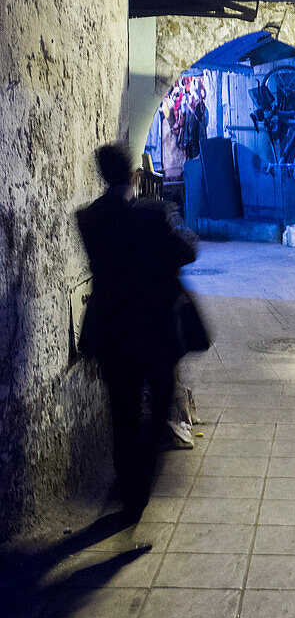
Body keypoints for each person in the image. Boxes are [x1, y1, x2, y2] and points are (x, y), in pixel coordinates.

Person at [76, 143, 198, 520]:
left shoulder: (88, 218)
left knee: (122, 413)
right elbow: (186, 252)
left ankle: (130, 492)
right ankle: (140, 478)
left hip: (112, 331)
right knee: (161, 401)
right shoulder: (152, 214)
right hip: (153, 329)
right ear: (132, 176)